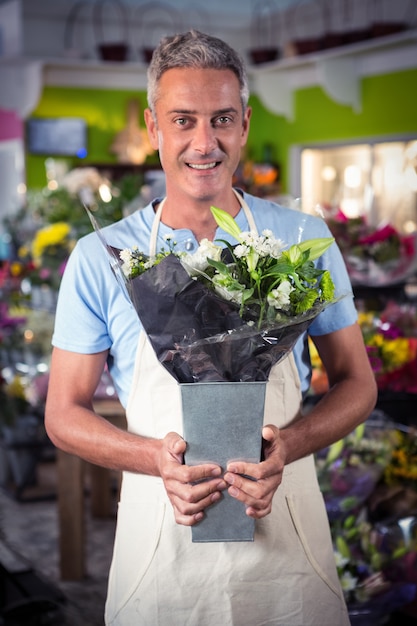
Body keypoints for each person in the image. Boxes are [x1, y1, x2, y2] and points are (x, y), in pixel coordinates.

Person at [45, 30, 377, 626]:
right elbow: (62, 413)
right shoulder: (102, 256)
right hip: (160, 542)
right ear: (153, 128)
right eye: (183, 120)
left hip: (287, 531)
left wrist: (289, 448)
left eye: (222, 119)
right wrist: (155, 460)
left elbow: (358, 383)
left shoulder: (305, 240)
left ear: (245, 124)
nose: (205, 142)